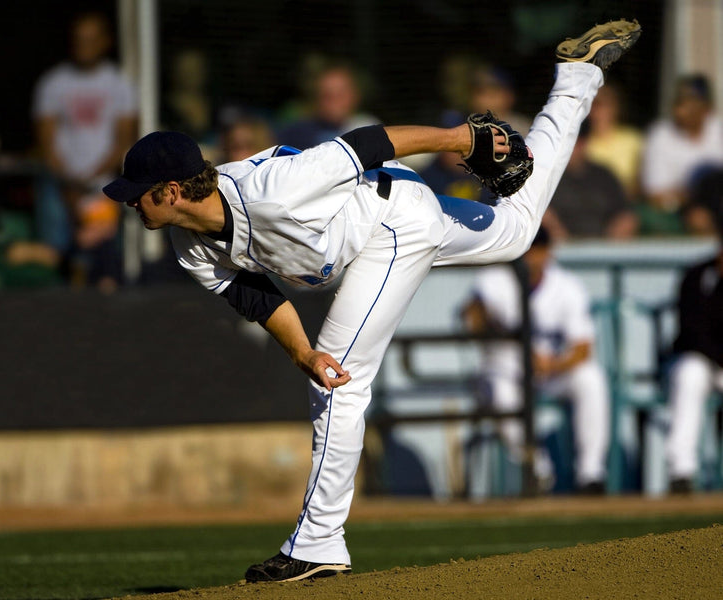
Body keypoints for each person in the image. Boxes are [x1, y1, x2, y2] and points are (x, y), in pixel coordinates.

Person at [102, 21, 639, 582]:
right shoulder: (188, 241)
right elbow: (251, 295)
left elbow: (366, 142)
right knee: (517, 231)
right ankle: (578, 76)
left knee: (340, 380)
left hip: (392, 223)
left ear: (168, 191)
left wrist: (460, 139)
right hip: (381, 221)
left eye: (135, 195)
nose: (128, 205)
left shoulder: (273, 189)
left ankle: (318, 542)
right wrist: (301, 352)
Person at [462, 227, 610, 493]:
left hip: (550, 370)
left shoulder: (566, 284)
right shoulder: (494, 278)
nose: (533, 257)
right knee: (499, 392)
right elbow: (473, 318)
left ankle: (591, 473)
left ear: (547, 252)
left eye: (539, 250)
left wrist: (553, 364)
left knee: (590, 379)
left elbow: (583, 348)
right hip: (506, 368)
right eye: (528, 249)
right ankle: (538, 470)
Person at [33, 11, 137, 285]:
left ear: (105, 42)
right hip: (60, 185)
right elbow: (46, 139)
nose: (84, 46)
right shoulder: (53, 83)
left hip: (104, 186)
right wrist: (68, 180)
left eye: (91, 39)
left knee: (102, 257)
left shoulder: (119, 84)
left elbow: (123, 139)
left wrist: (94, 180)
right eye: (79, 39)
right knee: (57, 256)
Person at [665, 222, 723, 494]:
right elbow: (690, 330)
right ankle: (681, 471)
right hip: (700, 359)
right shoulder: (697, 276)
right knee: (688, 374)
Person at [640, 75, 723, 235]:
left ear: (706, 109)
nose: (680, 110)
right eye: (678, 102)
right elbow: (655, 194)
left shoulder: (718, 130)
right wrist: (689, 195)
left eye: (689, 103)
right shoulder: (660, 135)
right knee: (699, 218)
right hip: (685, 207)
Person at [542, 121, 638, 240]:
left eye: (571, 142)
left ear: (583, 143)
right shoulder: (546, 177)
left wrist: (612, 239)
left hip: (603, 248)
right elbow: (540, 215)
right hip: (558, 249)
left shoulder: (603, 175)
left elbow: (626, 214)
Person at [277, 61, 379, 149]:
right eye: (326, 94)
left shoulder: (370, 129)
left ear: (356, 95)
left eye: (341, 94)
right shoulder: (295, 134)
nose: (334, 100)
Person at [584, 82, 643, 198]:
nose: (595, 110)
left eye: (601, 104)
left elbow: (641, 183)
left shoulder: (633, 140)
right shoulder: (579, 144)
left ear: (615, 108)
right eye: (591, 104)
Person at [469, 66, 532, 136]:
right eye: (481, 92)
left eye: (493, 93)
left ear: (509, 96)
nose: (485, 100)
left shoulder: (523, 129)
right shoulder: (463, 128)